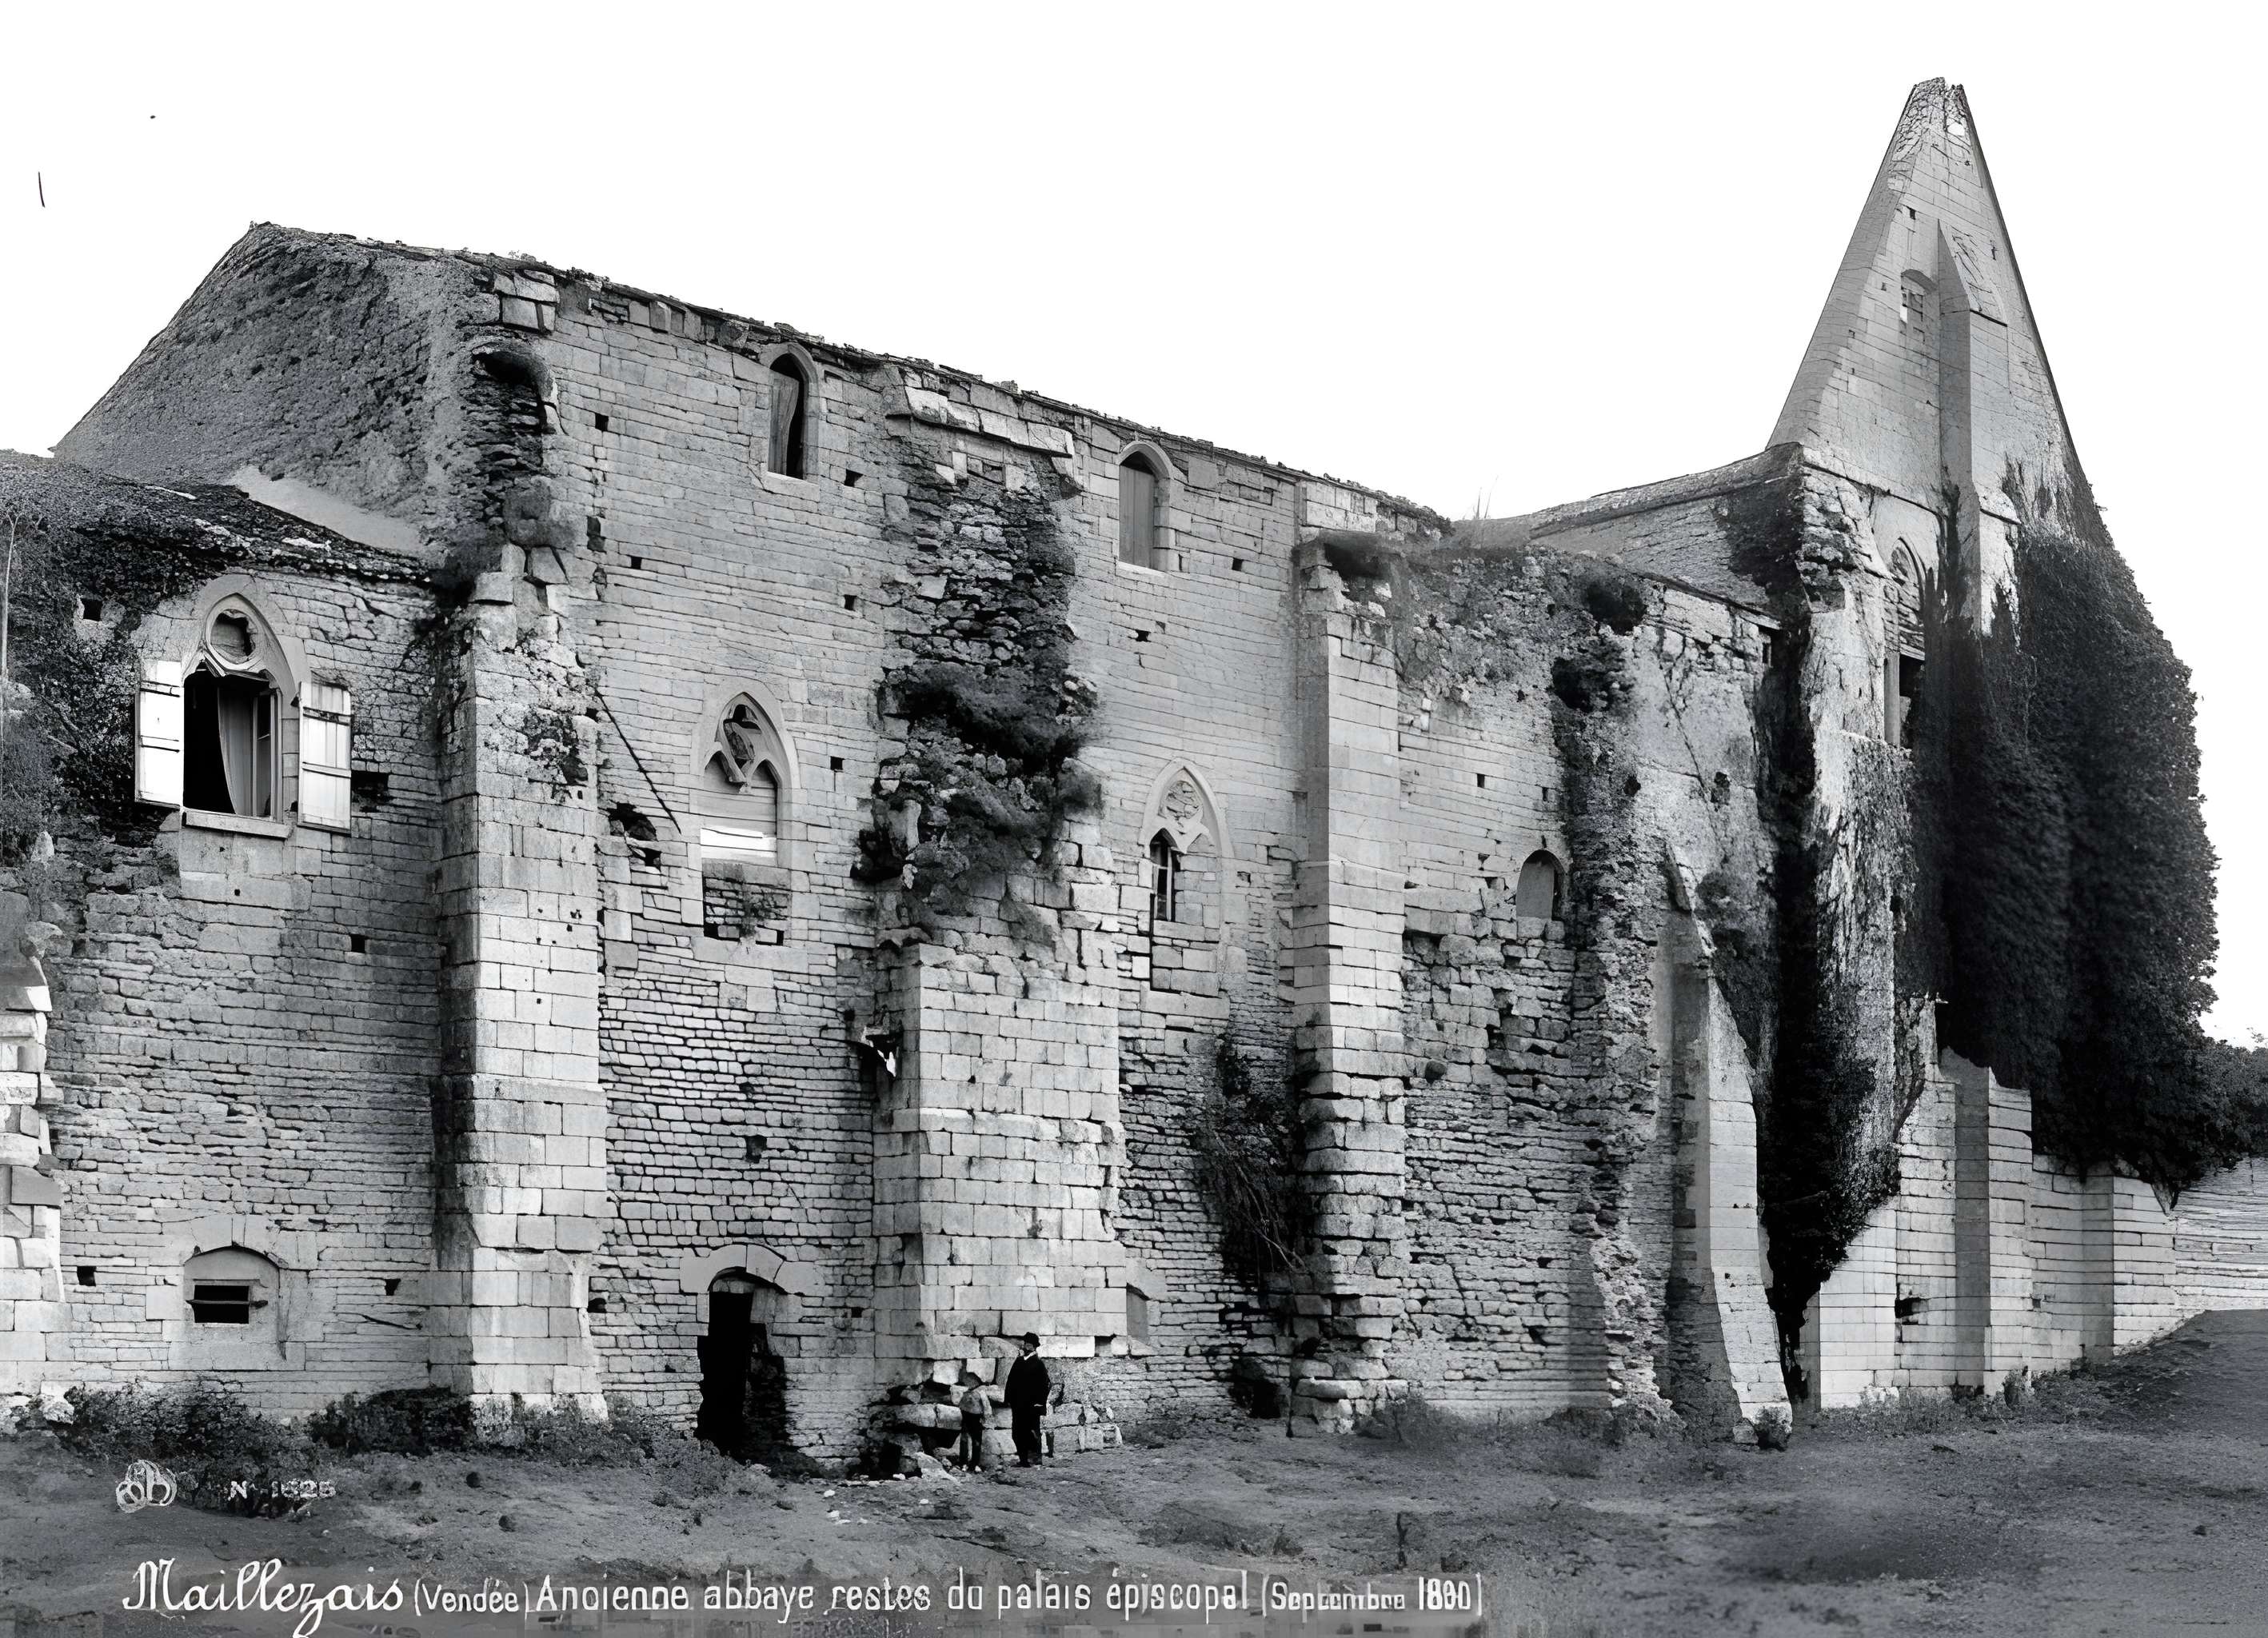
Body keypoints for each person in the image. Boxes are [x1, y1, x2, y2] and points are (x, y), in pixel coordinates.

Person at [1004, 1332, 1051, 1468]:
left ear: (1034, 1347)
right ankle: (1023, 1460)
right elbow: (1010, 1381)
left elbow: (1045, 1386)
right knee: (1018, 1432)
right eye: (1025, 1343)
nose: (1026, 1346)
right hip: (1018, 1405)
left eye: (1029, 1344)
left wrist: (1039, 1403)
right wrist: (1009, 1398)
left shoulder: (1038, 1364)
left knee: (1032, 1432)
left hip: (1031, 1406)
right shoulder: (1019, 1361)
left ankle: (1035, 1460)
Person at [956, 1376, 991, 1472]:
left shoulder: (980, 1393)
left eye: (969, 1381)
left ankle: (974, 1464)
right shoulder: (966, 1393)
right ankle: (963, 1463)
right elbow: (961, 1406)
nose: (967, 1383)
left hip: (976, 1419)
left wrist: (987, 1419)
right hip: (967, 1418)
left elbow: (987, 1407)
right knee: (965, 1440)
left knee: (976, 1441)